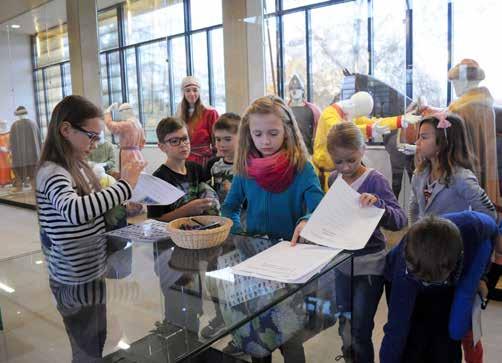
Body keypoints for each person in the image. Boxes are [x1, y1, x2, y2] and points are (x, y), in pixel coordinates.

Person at [35, 95, 145, 361]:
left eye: (98, 138)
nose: (95, 145)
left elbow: (90, 210)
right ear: (66, 130)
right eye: (91, 136)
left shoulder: (79, 166)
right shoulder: (53, 171)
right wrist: (125, 186)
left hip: (92, 271)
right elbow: (74, 211)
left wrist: (121, 204)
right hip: (72, 279)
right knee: (85, 348)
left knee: (96, 339)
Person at [222, 95, 324, 363]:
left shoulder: (302, 168)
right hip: (253, 263)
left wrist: (306, 219)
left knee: (290, 338)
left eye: (273, 133)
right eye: (257, 134)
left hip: (288, 267)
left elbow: (318, 207)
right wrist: (237, 234)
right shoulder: (245, 168)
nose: (265, 141)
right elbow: (230, 207)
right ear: (248, 134)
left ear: (287, 131)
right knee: (258, 339)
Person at [294, 121, 407, 362]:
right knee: (344, 323)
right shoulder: (334, 179)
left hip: (369, 265)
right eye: (339, 161)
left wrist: (378, 205)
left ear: (363, 150)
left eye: (351, 160)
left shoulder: (374, 180)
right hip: (342, 263)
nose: (345, 167)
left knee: (360, 329)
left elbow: (400, 220)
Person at [380, 211, 498, 363]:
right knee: (411, 337)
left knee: (444, 341)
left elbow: (493, 230)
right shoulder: (404, 273)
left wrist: (483, 275)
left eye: (432, 282)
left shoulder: (473, 225)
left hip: (444, 278)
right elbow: (395, 331)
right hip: (406, 280)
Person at [313, 91, 421, 190]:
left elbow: (374, 123)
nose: (360, 117)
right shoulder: (330, 116)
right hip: (325, 176)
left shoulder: (350, 113)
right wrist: (370, 130)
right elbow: (343, 131)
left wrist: (400, 120)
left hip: (340, 175)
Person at [409, 112, 497, 225]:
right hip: (425, 240)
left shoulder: (462, 177)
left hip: (453, 241)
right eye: (419, 137)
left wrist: (466, 233)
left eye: (424, 137)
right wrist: (413, 234)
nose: (417, 142)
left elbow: (489, 214)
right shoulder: (419, 173)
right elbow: (414, 208)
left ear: (443, 142)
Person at [147, 117, 219, 222]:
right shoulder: (158, 179)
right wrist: (185, 211)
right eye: (174, 141)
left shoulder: (197, 169)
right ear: (162, 147)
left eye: (185, 139)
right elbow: (155, 220)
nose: (183, 144)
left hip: (201, 233)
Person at [177, 76, 219, 167]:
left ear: (199, 92)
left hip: (204, 161)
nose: (192, 94)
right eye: (188, 90)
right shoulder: (180, 114)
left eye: (195, 90)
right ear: (183, 93)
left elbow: (217, 140)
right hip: (185, 159)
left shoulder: (210, 113)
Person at [205, 112, 240, 202]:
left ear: (241, 138)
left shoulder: (249, 165)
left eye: (227, 139)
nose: (222, 144)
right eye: (218, 139)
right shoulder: (212, 164)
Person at [104, 102, 145, 173]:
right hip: (138, 153)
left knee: (128, 175)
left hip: (128, 154)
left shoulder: (128, 124)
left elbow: (111, 125)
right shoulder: (138, 123)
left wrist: (107, 112)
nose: (121, 115)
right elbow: (143, 140)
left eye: (120, 113)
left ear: (124, 112)